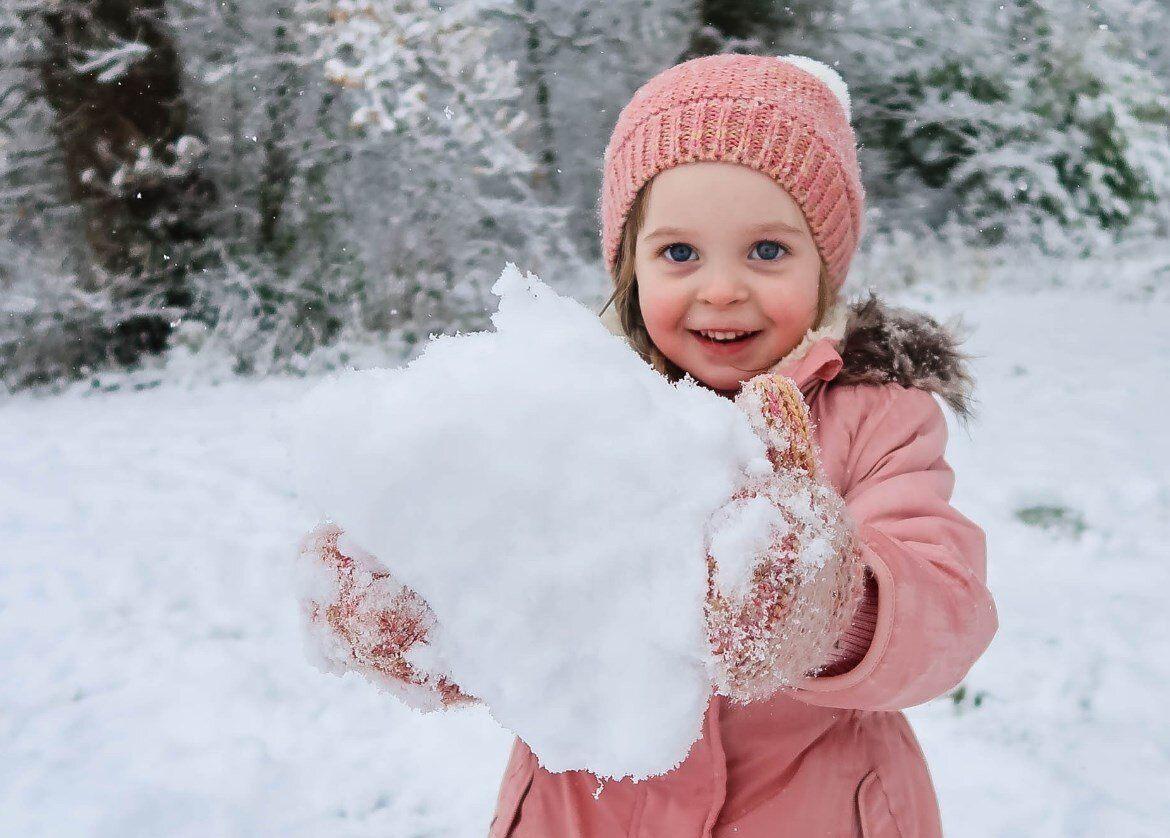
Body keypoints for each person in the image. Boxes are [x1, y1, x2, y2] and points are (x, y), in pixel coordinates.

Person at [297, 53, 999, 837]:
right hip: (581, 812)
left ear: (825, 265)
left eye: (766, 251)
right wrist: (428, 618)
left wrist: (832, 612)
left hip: (817, 807)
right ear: (629, 263)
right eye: (679, 253)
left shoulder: (877, 413)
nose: (723, 287)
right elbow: (513, 596)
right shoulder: (564, 411)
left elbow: (947, 615)